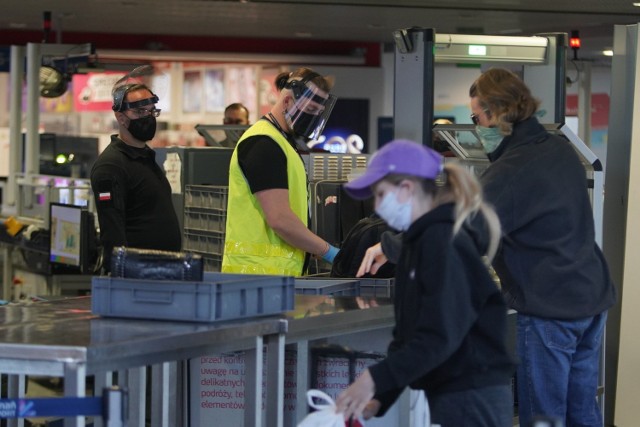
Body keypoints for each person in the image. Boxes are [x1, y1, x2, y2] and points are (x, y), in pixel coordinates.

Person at [469, 67, 616, 427]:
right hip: (591, 299)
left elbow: (464, 227)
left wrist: (392, 246)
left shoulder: (512, 167)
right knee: (582, 411)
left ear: (496, 113)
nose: (476, 126)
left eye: (476, 117)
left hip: (551, 309)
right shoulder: (560, 149)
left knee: (545, 417)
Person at [335, 139, 516, 426]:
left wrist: (374, 379)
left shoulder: (441, 242)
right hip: (454, 391)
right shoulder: (417, 243)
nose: (377, 206)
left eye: (381, 194)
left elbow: (440, 334)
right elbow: (410, 336)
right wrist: (380, 395)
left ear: (407, 189)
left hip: (472, 394)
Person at [221, 67, 339, 276]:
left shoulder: (280, 142)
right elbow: (280, 219)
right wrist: (328, 251)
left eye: (317, 113)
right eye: (310, 110)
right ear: (287, 102)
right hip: (258, 280)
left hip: (272, 278)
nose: (312, 118)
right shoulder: (263, 143)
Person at [90, 68, 181, 273]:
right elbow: (112, 232)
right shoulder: (111, 166)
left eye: (151, 111)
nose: (148, 117)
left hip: (161, 271)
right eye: (140, 112)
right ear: (121, 117)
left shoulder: (146, 157)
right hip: (137, 276)